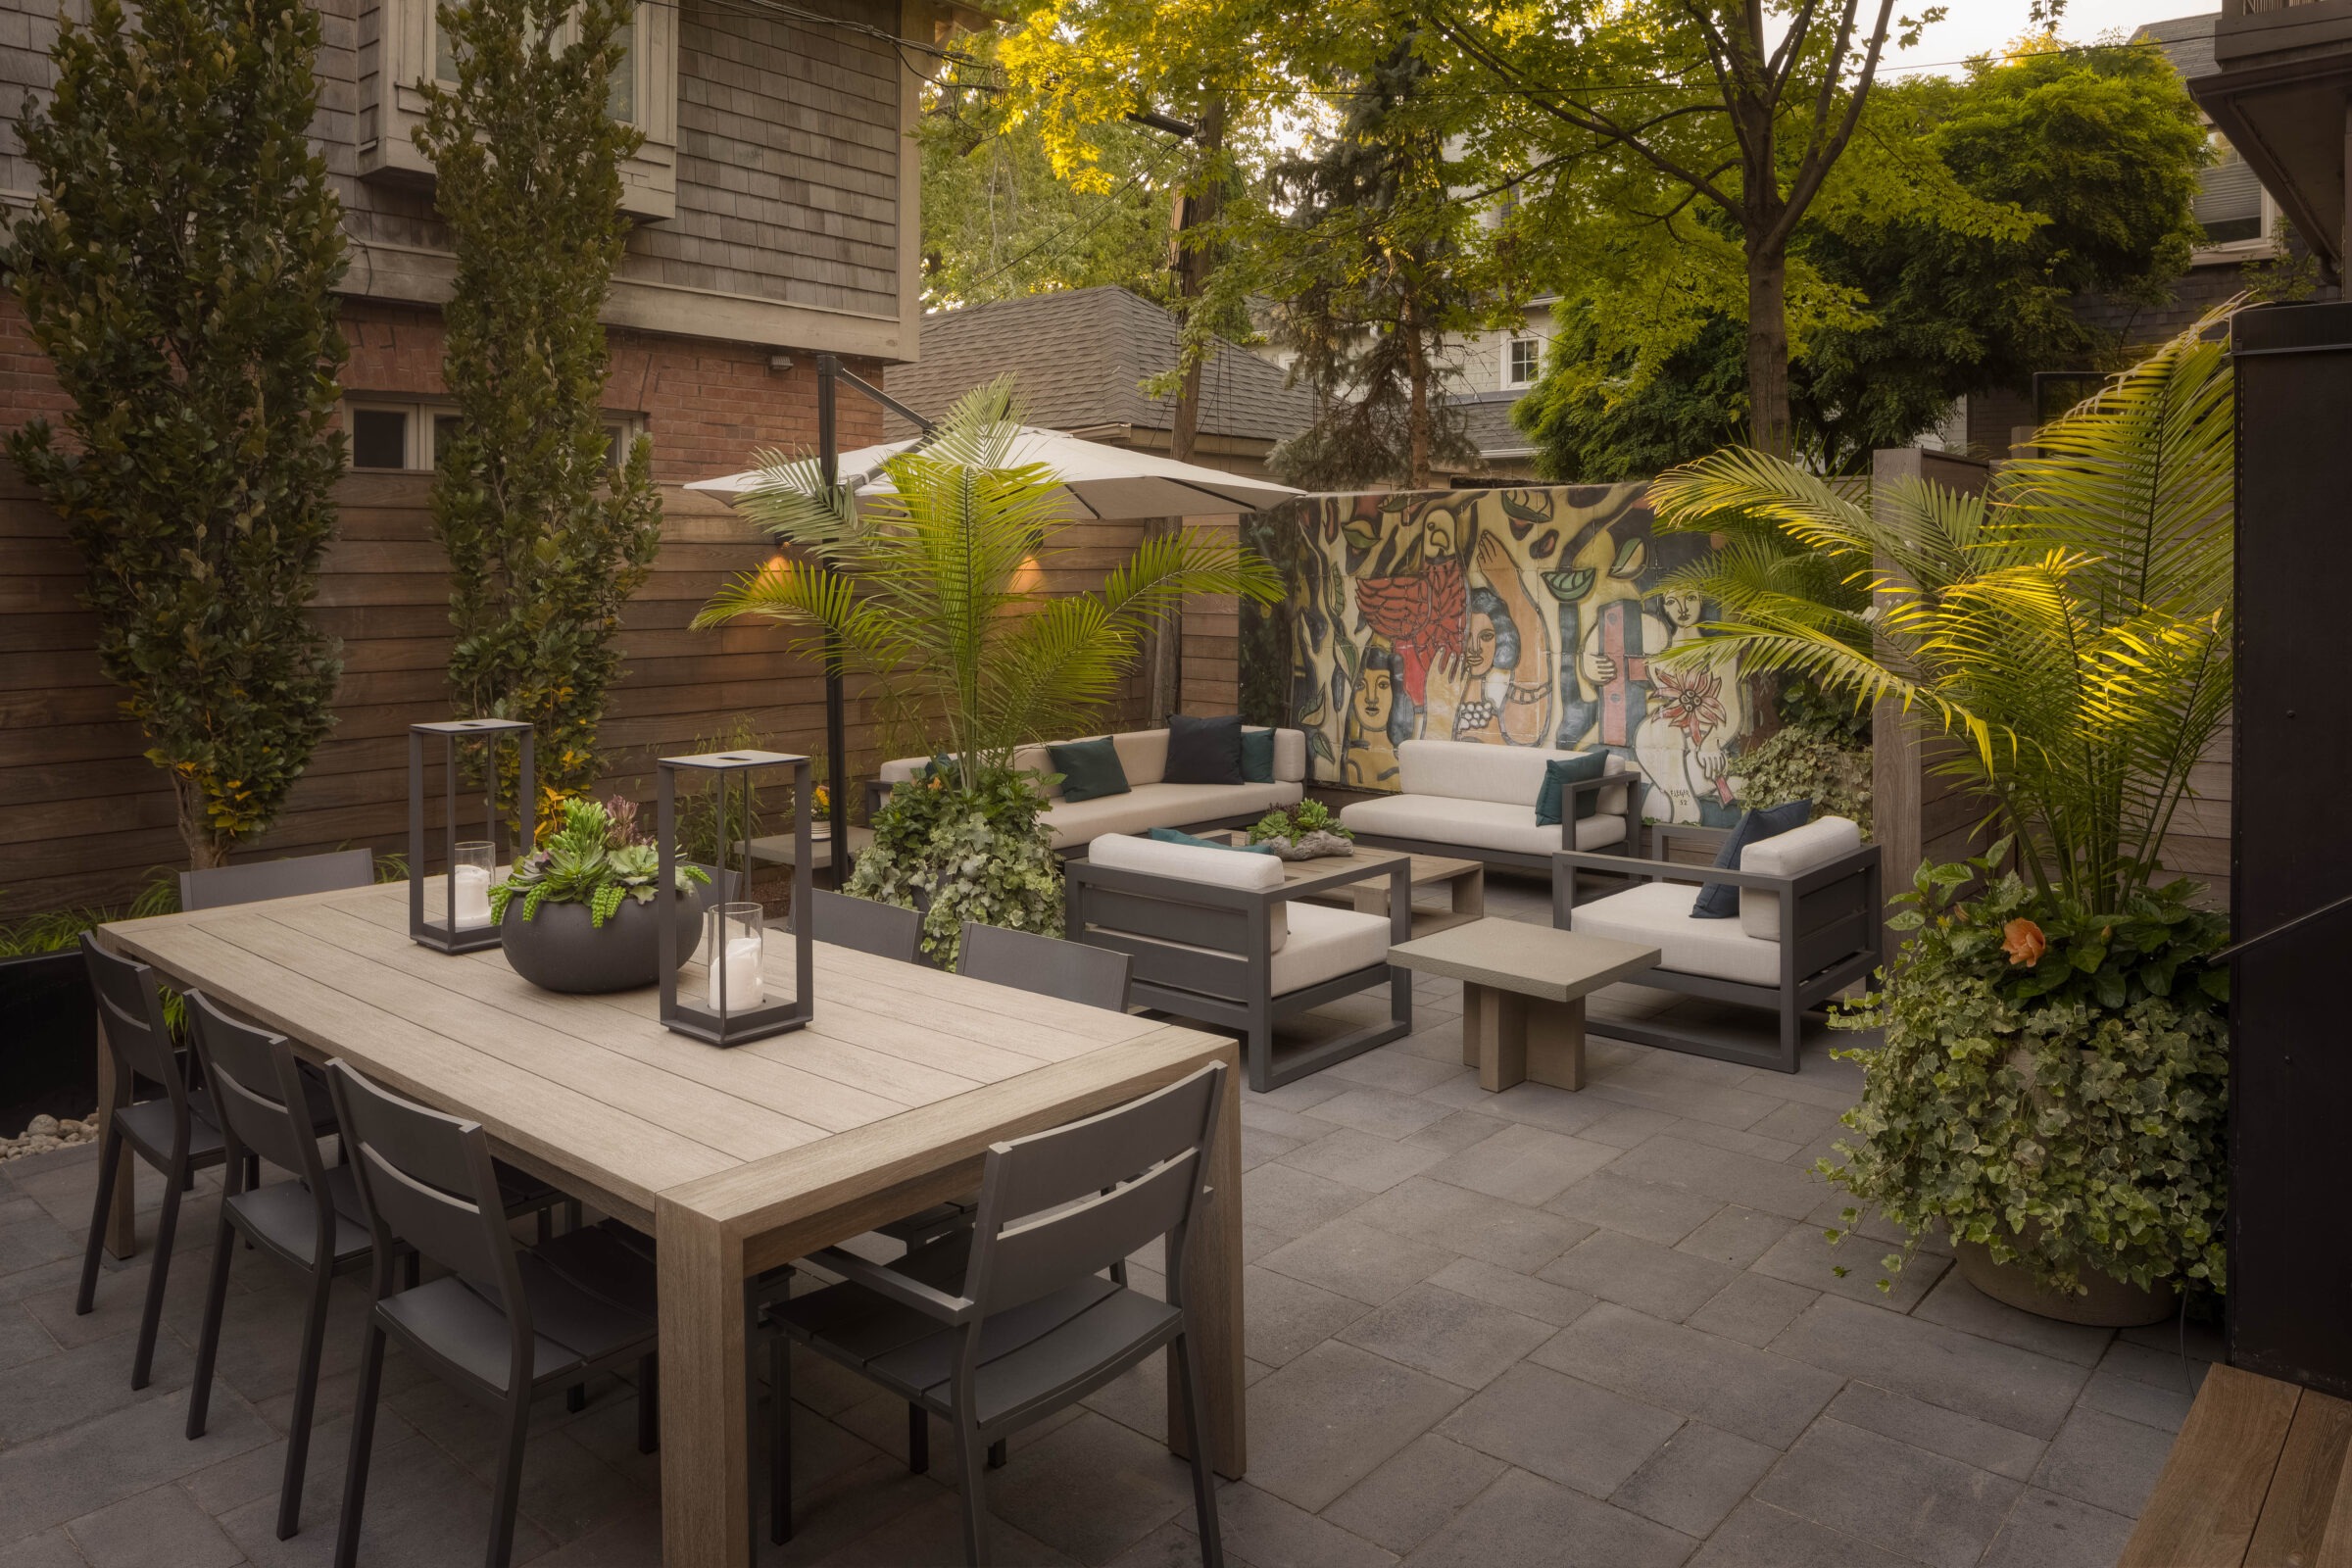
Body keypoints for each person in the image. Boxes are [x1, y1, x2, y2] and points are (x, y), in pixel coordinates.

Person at [1447, 532, 1553, 746]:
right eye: (1465, 637)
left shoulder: (1509, 724)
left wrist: (1511, 586)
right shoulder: (1438, 706)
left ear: (1502, 640)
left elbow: (1533, 665)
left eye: (1486, 637)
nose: (1474, 649)